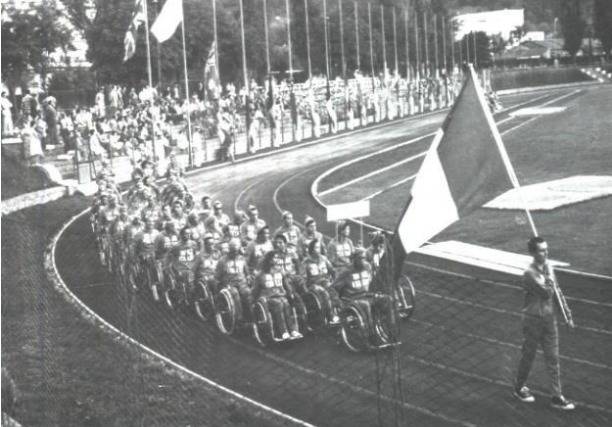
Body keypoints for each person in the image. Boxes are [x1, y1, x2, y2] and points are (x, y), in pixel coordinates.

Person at [513, 236, 575, 410]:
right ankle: (519, 387)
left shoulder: (548, 267)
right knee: (528, 356)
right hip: (532, 320)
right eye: (541, 250)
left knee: (553, 358)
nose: (546, 253)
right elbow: (547, 292)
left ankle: (557, 396)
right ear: (533, 252)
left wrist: (567, 315)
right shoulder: (529, 274)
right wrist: (549, 274)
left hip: (549, 319)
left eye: (546, 249)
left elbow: (557, 291)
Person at [332, 248, 392, 338]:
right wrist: (338, 302)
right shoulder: (346, 272)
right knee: (365, 305)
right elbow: (333, 288)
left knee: (388, 299)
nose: (363, 261)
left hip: (366, 295)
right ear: (354, 259)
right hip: (352, 299)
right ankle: (370, 334)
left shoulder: (367, 267)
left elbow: (371, 282)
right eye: (360, 258)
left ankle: (389, 328)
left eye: (364, 258)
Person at [252, 251, 303, 340]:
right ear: (269, 259)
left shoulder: (280, 272)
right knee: (279, 304)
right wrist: (252, 301)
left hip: (280, 295)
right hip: (268, 297)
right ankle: (283, 331)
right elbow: (255, 290)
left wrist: (290, 293)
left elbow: (286, 285)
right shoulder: (261, 274)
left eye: (277, 258)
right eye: (274, 258)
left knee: (285, 303)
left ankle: (292, 330)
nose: (276, 260)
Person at [302, 239, 340, 323]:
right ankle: (331, 316)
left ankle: (340, 312)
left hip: (325, 282)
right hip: (314, 285)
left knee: (334, 291)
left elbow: (332, 270)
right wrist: (305, 289)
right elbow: (303, 277)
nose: (318, 249)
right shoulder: (306, 262)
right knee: (324, 293)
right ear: (311, 249)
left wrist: (335, 280)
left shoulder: (324, 259)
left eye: (319, 247)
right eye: (316, 247)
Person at [215, 238, 253, 322]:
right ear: (229, 249)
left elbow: (246, 272)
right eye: (233, 250)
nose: (235, 252)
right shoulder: (222, 260)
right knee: (235, 295)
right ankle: (239, 318)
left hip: (242, 283)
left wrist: (248, 278)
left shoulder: (242, 259)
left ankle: (251, 316)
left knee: (248, 294)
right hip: (229, 285)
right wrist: (219, 287)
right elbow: (217, 277)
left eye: (236, 250)